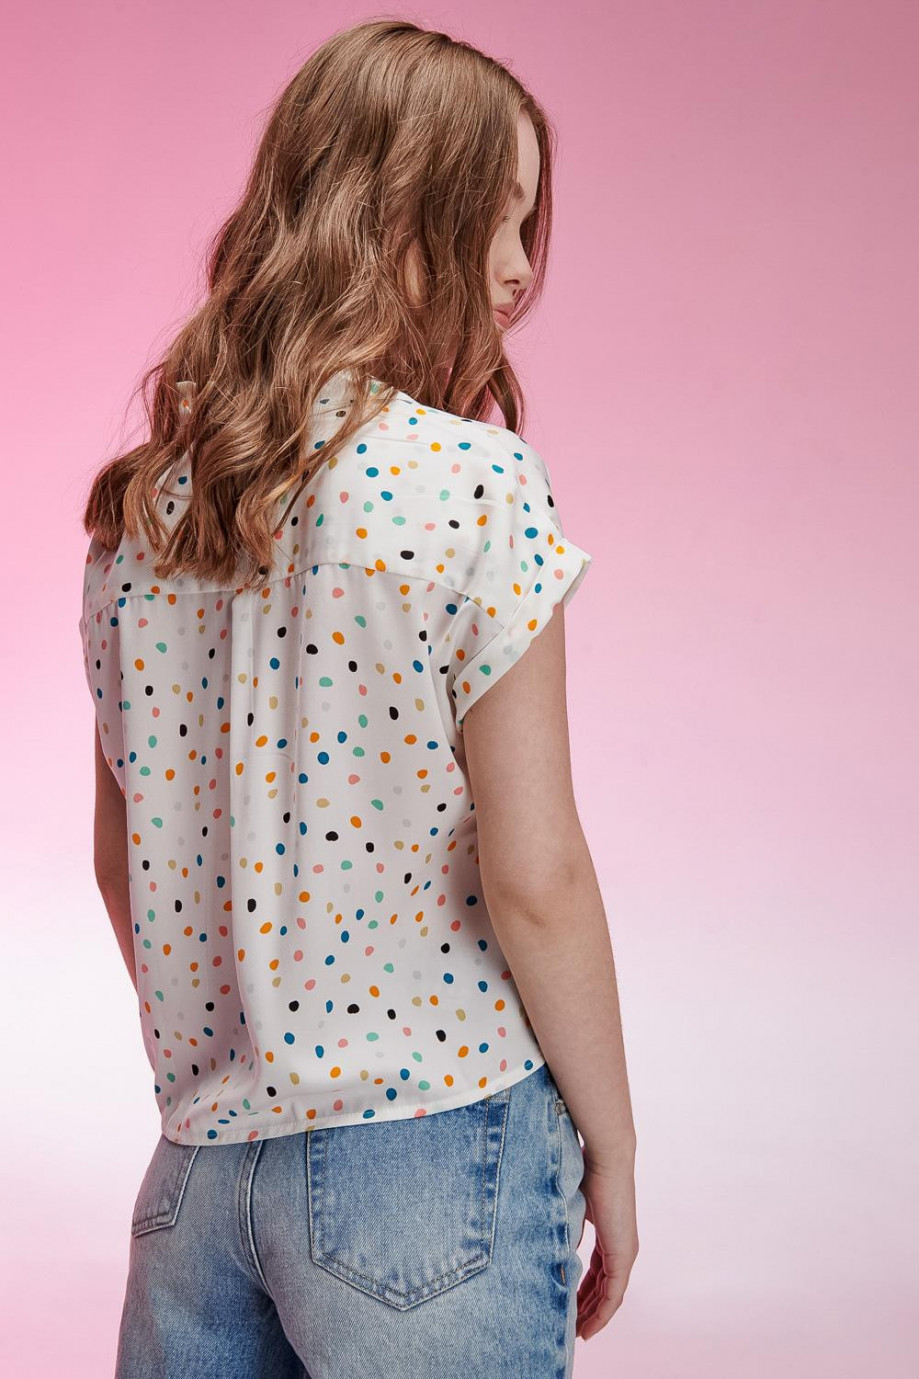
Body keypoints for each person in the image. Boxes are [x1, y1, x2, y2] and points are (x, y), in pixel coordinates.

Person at [79, 18, 638, 1378]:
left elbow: (121, 859)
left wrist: (247, 1058)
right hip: (433, 1153)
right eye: (500, 218)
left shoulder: (145, 516)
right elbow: (536, 874)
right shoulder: (472, 484)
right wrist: (614, 1147)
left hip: (198, 1183)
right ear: (403, 216)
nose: (521, 266)